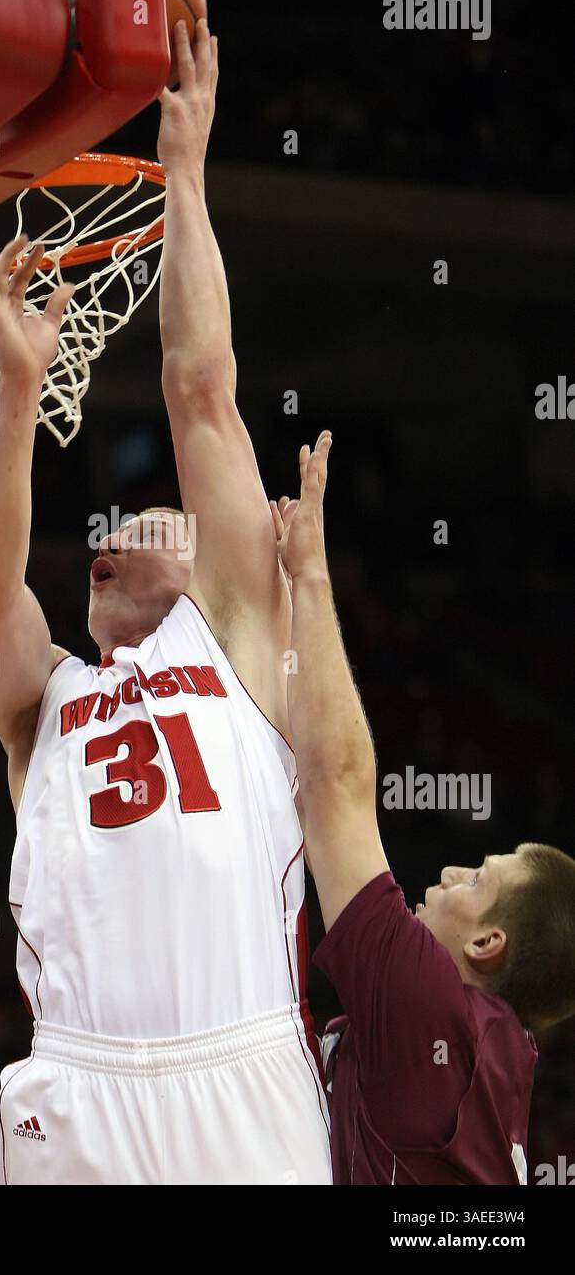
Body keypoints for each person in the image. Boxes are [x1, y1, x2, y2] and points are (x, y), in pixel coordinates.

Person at [0, 21, 331, 1185]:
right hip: (75, 1081)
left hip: (240, 1066)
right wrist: (15, 396)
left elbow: (199, 388)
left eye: (144, 522)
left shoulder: (243, 642)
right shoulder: (47, 700)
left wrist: (184, 169)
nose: (107, 543)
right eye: (102, 541)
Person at [273, 430, 575, 1184]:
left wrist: (309, 574)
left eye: (478, 880)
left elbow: (337, 784)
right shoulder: (490, 1047)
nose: (446, 872)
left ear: (487, 945)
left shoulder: (432, 1008)